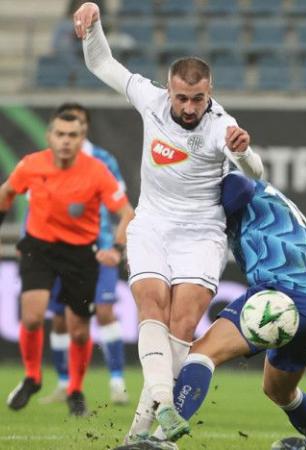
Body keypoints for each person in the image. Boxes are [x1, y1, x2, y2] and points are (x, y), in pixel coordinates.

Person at [73, 2, 265, 443]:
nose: (190, 106)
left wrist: (246, 151)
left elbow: (255, 173)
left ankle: (139, 433)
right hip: (153, 224)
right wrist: (93, 21)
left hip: (201, 233)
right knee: (151, 305)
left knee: (182, 326)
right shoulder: (150, 99)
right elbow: (101, 61)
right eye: (182, 97)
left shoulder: (222, 125)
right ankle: (163, 405)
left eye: (199, 98)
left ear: (210, 92)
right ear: (170, 90)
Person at [115, 171, 306, 450]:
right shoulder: (279, 203)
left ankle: (163, 440)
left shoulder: (224, 183)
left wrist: (205, 209)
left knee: (200, 354)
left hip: (281, 292)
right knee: (279, 390)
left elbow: (239, 186)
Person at [1, 111, 134, 416]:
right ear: (50, 137)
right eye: (60, 134)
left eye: (72, 135)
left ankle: (75, 389)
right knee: (32, 317)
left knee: (78, 331)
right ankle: (33, 377)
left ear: (81, 139)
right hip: (39, 247)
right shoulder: (31, 165)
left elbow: (127, 212)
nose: (65, 141)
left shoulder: (97, 171)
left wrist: (115, 248)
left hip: (80, 253)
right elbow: (7, 192)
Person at [39, 103, 130, 406]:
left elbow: (120, 205)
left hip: (98, 248)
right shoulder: (47, 162)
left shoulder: (103, 161)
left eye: (76, 123)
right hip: (58, 251)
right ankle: (65, 384)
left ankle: (117, 381)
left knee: (104, 312)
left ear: (85, 127)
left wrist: (116, 245)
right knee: (61, 319)